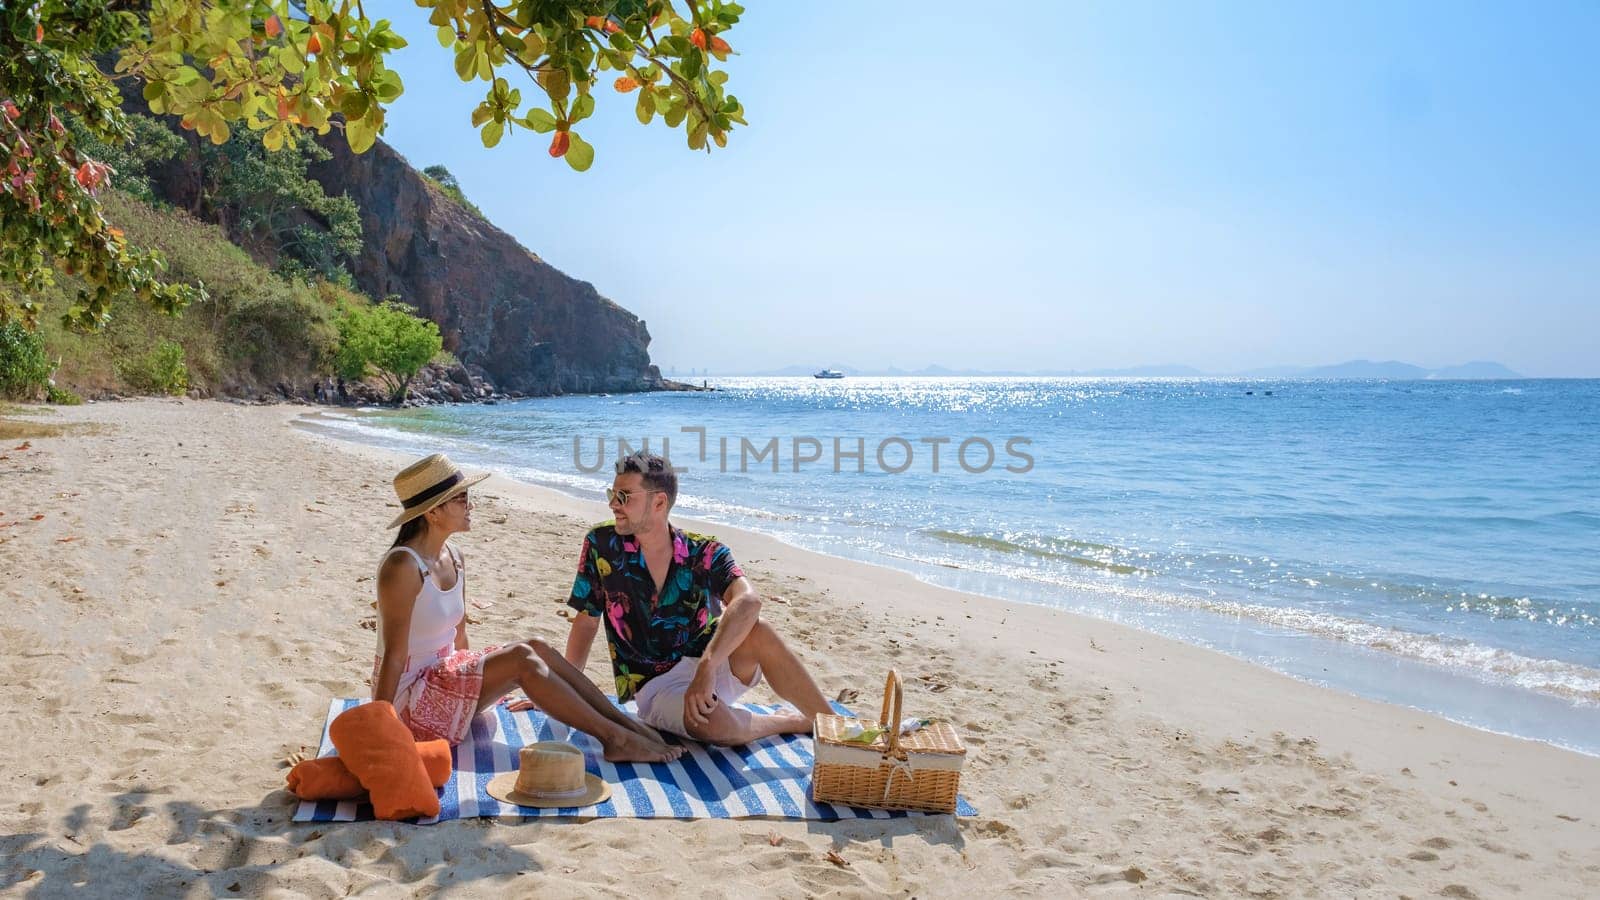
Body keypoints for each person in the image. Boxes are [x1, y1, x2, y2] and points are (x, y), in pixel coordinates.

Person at [371, 453, 681, 762]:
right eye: (462, 499)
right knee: (521, 660)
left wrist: (478, 676)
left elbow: (459, 635)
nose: (471, 506)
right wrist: (381, 727)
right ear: (432, 512)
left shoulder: (454, 556)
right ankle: (615, 739)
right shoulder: (402, 566)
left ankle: (627, 726)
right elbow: (393, 655)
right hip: (410, 701)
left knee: (536, 647)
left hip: (442, 679)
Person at [562, 451, 832, 745]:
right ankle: (789, 720)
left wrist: (708, 666)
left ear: (659, 502)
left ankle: (838, 732)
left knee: (760, 629)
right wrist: (564, 690)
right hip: (658, 686)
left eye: (624, 496)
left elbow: (749, 600)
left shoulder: (704, 552)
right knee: (715, 725)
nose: (613, 504)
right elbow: (587, 622)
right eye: (612, 494)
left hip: (710, 664)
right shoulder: (602, 545)